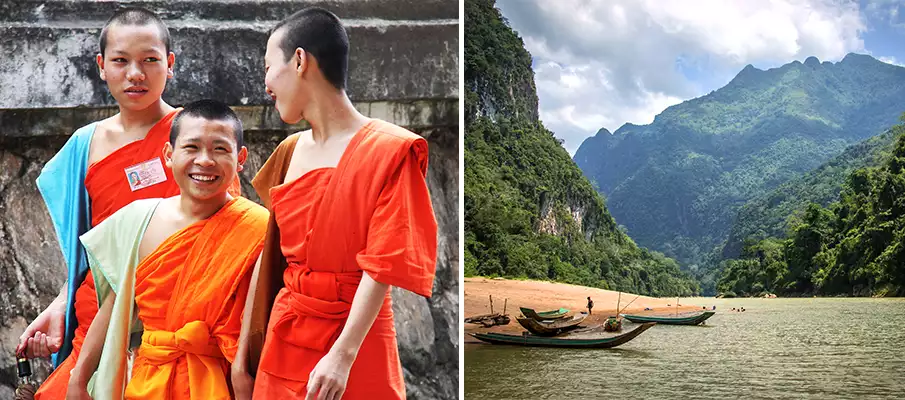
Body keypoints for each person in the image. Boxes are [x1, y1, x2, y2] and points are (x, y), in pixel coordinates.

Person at [230, 7, 438, 399]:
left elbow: (384, 263)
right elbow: (270, 256)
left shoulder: (391, 150)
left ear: (299, 60)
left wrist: (342, 355)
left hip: (356, 343)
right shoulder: (289, 151)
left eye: (268, 67)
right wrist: (244, 355)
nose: (265, 83)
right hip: (286, 334)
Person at [66, 100, 267, 400]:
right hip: (149, 380)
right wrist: (78, 379)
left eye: (220, 149)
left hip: (223, 384)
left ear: (240, 159)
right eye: (192, 148)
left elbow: (261, 324)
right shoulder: (138, 219)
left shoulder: (258, 228)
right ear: (169, 155)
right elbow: (115, 306)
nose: (205, 161)